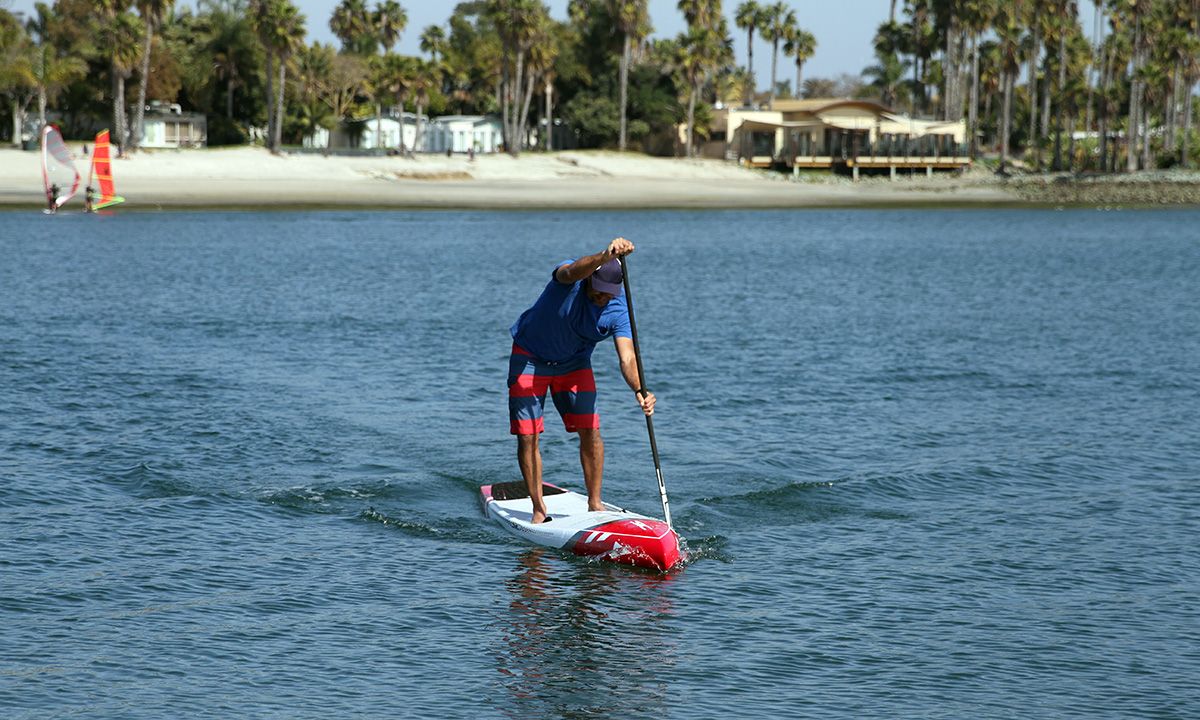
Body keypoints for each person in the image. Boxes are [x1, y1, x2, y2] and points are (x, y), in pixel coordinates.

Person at [508, 237, 656, 524]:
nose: (603, 298)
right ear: (590, 280)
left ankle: (595, 503)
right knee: (528, 435)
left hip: (574, 363)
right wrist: (603, 255)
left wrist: (640, 389)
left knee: (590, 429)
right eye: (599, 291)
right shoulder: (569, 278)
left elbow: (627, 357)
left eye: (609, 294)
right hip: (530, 356)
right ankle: (539, 510)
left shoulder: (619, 309)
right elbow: (573, 270)